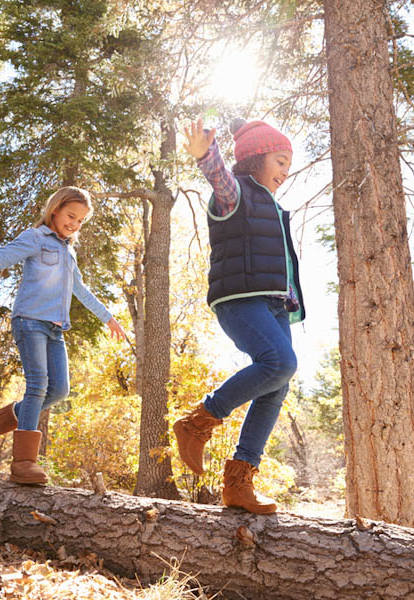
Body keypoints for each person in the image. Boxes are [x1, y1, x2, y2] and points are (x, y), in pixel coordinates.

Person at [0, 186, 125, 485]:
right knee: (38, 384)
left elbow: (80, 289)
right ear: (55, 209)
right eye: (71, 216)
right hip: (30, 321)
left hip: (55, 329)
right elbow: (2, 257)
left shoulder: (69, 252)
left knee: (59, 390)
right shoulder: (36, 238)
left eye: (80, 221)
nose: (74, 224)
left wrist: (108, 317)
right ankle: (24, 462)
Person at [174, 117, 306, 514]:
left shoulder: (273, 205)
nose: (285, 171)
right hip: (240, 299)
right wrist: (206, 155)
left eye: (288, 164)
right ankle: (198, 422)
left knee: (277, 383)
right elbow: (219, 179)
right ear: (255, 160)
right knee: (280, 362)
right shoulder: (237, 194)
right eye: (280, 161)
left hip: (274, 303)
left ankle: (239, 482)